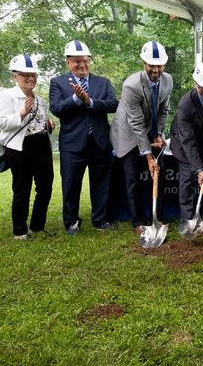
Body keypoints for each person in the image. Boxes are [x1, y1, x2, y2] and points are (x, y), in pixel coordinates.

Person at [49, 40, 119, 235]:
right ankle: (71, 222)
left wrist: (90, 101)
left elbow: (114, 104)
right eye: (77, 62)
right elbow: (56, 108)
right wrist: (75, 99)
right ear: (68, 62)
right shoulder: (58, 83)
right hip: (72, 145)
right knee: (71, 185)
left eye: (86, 61)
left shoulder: (102, 82)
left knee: (101, 184)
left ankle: (100, 219)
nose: (83, 65)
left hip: (100, 142)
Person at [110, 41, 173, 232]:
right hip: (128, 131)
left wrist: (159, 135)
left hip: (150, 129)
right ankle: (137, 220)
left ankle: (158, 217)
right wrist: (147, 155)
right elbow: (135, 123)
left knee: (158, 174)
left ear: (164, 64)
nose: (155, 69)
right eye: (151, 65)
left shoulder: (167, 80)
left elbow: (164, 110)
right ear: (143, 63)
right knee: (132, 178)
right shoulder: (131, 85)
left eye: (159, 65)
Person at [0, 54, 55, 239]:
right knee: (22, 188)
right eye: (25, 75)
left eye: (33, 75)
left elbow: (39, 121)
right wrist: (22, 113)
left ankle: (37, 226)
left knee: (46, 185)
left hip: (41, 144)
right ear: (14, 76)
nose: (31, 78)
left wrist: (48, 124)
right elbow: (2, 124)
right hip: (19, 147)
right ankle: (20, 231)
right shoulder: (6, 96)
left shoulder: (40, 100)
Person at [170, 62, 203, 237]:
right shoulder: (185, 104)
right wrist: (199, 169)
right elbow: (188, 141)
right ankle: (187, 221)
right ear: (196, 84)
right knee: (187, 179)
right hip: (183, 143)